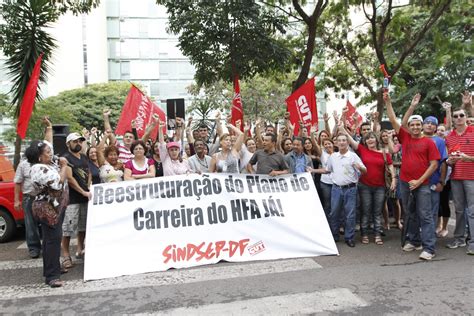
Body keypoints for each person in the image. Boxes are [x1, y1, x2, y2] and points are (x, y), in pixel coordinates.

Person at [385, 92, 440, 260]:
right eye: (413, 125)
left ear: (422, 126)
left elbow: (434, 164)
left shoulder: (429, 142)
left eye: (418, 125)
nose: (416, 127)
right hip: (405, 182)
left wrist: (420, 180)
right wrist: (389, 102)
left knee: (425, 215)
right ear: (409, 126)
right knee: (411, 213)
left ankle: (429, 248)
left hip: (422, 184)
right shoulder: (405, 138)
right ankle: (415, 241)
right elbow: (394, 120)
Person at [340, 126, 396, 245]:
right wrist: (342, 128)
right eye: (367, 139)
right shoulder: (362, 150)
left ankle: (377, 234)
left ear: (376, 140)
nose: (370, 140)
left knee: (377, 211)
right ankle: (364, 234)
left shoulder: (384, 153)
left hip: (380, 186)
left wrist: (394, 180)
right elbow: (351, 140)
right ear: (365, 142)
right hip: (364, 186)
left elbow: (390, 166)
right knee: (365, 211)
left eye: (372, 138)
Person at [26, 141, 69, 287]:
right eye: (47, 152)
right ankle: (52, 276)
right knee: (52, 240)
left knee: (52, 239)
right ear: (39, 157)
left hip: (54, 207)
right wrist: (64, 166)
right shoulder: (39, 168)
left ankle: (53, 268)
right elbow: (57, 184)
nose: (51, 153)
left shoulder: (46, 165)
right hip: (47, 208)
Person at [13, 117, 53, 258]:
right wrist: (17, 200)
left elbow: (48, 142)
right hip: (29, 198)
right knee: (30, 224)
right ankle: (34, 248)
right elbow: (18, 182)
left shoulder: (47, 161)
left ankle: (49, 246)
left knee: (48, 223)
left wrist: (49, 127)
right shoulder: (23, 164)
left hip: (45, 197)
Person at [326, 133, 367, 247]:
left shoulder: (353, 156)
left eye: (344, 140)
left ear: (348, 142)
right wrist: (313, 171)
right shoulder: (333, 157)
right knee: (334, 213)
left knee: (350, 214)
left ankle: (349, 237)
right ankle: (334, 235)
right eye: (340, 140)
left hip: (350, 189)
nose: (342, 142)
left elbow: (365, 170)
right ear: (336, 143)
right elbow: (327, 170)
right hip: (336, 189)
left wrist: (360, 168)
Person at [445, 104, 474, 255]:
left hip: (472, 177)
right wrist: (450, 161)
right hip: (456, 177)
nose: (458, 118)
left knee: (472, 211)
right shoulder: (450, 137)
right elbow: (448, 159)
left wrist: (468, 158)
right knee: (459, 210)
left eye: (461, 115)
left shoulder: (473, 131)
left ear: (466, 117)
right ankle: (459, 238)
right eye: (455, 116)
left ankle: (473, 242)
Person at [61, 132, 92, 268]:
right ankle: (66, 255)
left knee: (83, 226)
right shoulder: (66, 158)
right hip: (72, 199)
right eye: (75, 141)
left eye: (80, 141)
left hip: (85, 197)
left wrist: (89, 187)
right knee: (68, 229)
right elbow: (70, 179)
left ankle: (80, 250)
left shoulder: (84, 157)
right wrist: (83, 191)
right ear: (68, 144)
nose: (78, 143)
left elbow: (89, 173)